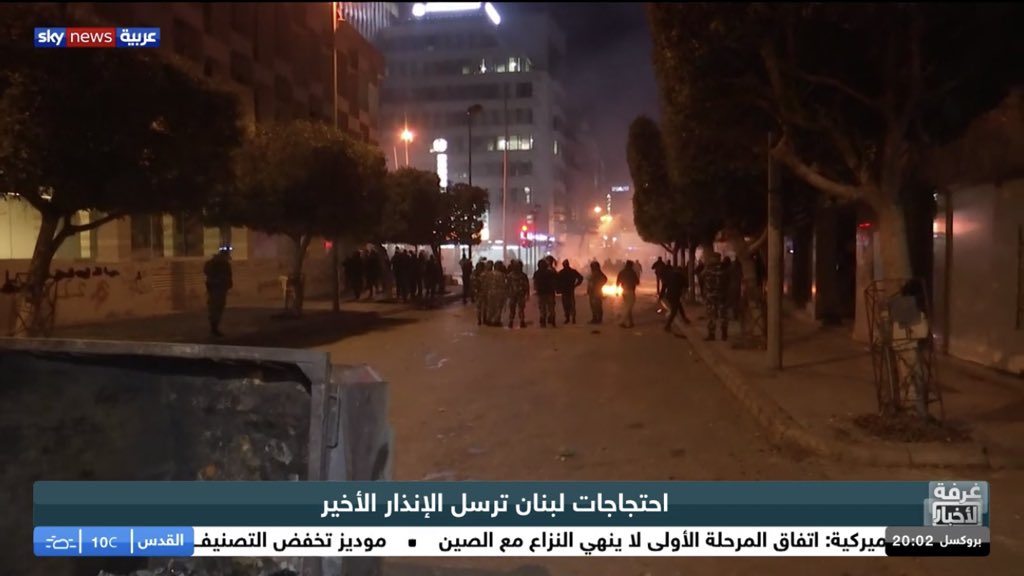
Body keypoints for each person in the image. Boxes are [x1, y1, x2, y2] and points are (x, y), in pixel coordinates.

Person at [203, 247, 233, 337]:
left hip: (214, 288)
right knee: (217, 308)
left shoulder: (211, 263)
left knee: (214, 308)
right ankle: (214, 328)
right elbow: (228, 276)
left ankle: (214, 328)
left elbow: (206, 271)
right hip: (218, 289)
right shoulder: (223, 264)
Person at [701, 252, 728, 341]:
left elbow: (702, 276)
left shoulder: (709, 269)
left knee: (712, 315)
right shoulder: (724, 268)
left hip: (712, 295)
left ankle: (712, 334)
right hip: (721, 295)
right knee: (722, 315)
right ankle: (724, 334)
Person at [663, 264, 692, 331]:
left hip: (669, 295)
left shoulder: (670, 276)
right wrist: (684, 293)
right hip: (675, 295)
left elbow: (664, 285)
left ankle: (684, 318)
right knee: (674, 311)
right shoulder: (681, 277)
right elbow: (686, 285)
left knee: (679, 306)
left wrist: (662, 295)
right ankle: (667, 325)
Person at [555, 259, 584, 324]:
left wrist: (558, 289)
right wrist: (576, 285)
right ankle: (572, 318)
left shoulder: (562, 272)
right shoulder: (572, 271)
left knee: (567, 305)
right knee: (570, 305)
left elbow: (557, 281)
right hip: (569, 290)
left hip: (566, 290)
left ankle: (568, 318)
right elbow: (580, 278)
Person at [533, 259, 558, 327]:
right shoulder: (550, 272)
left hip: (541, 292)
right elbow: (554, 281)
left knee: (542, 308)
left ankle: (543, 321)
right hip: (550, 292)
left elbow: (535, 283)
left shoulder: (537, 273)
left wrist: (536, 290)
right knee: (551, 308)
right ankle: (552, 320)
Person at [616, 260, 640, 328]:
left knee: (628, 306)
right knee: (629, 306)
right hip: (630, 291)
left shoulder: (621, 272)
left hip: (624, 291)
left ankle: (631, 322)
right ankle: (622, 321)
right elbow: (637, 282)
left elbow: (617, 282)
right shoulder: (632, 273)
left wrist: (617, 291)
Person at [506, 260, 530, 328]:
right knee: (521, 309)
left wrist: (507, 294)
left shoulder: (510, 275)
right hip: (521, 294)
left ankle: (511, 322)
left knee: (512, 309)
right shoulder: (523, 275)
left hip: (512, 294)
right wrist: (527, 294)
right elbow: (526, 285)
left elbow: (507, 285)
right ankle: (522, 321)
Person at [486, 261, 508, 325]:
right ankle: (496, 320)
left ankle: (488, 319)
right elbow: (503, 285)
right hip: (498, 292)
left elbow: (486, 284)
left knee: (490, 306)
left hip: (490, 292)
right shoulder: (502, 275)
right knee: (498, 307)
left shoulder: (489, 274)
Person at [473, 261, 487, 326]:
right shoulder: (485, 274)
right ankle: (484, 319)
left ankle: (479, 320)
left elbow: (472, 284)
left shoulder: (474, 274)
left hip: (478, 293)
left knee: (479, 307)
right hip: (484, 292)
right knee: (485, 306)